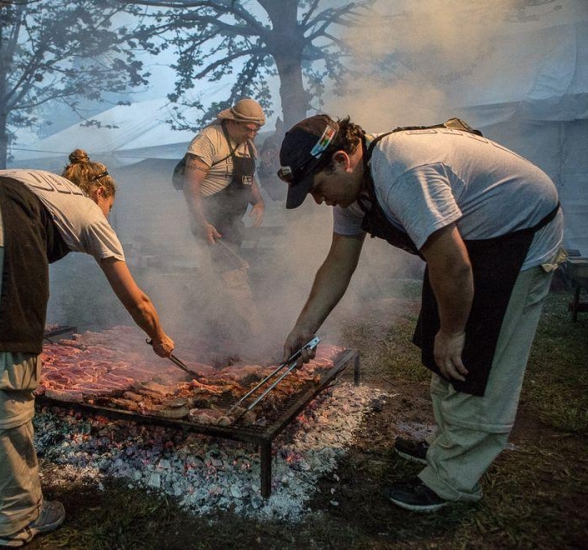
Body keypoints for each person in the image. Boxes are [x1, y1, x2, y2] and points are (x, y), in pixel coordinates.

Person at [278, 114, 564, 512]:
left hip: (517, 237)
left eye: (317, 188)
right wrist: (303, 328)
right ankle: (448, 444)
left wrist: (454, 331)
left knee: (475, 357)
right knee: (441, 348)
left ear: (342, 160)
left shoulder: (402, 173)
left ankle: (453, 481)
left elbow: (454, 266)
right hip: (465, 246)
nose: (318, 199)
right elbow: (339, 262)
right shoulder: (354, 189)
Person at [0, 151, 175, 547]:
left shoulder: (39, 183)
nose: (106, 215)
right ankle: (17, 518)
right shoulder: (87, 208)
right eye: (110, 207)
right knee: (8, 376)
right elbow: (137, 300)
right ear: (100, 192)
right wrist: (159, 338)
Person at [181, 98, 267, 343]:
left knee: (211, 279)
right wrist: (201, 222)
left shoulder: (248, 144)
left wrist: (258, 202)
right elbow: (192, 186)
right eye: (247, 128)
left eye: (255, 130)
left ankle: (204, 331)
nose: (251, 134)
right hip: (209, 222)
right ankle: (257, 337)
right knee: (233, 277)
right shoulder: (208, 140)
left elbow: (248, 178)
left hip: (233, 223)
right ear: (231, 121)